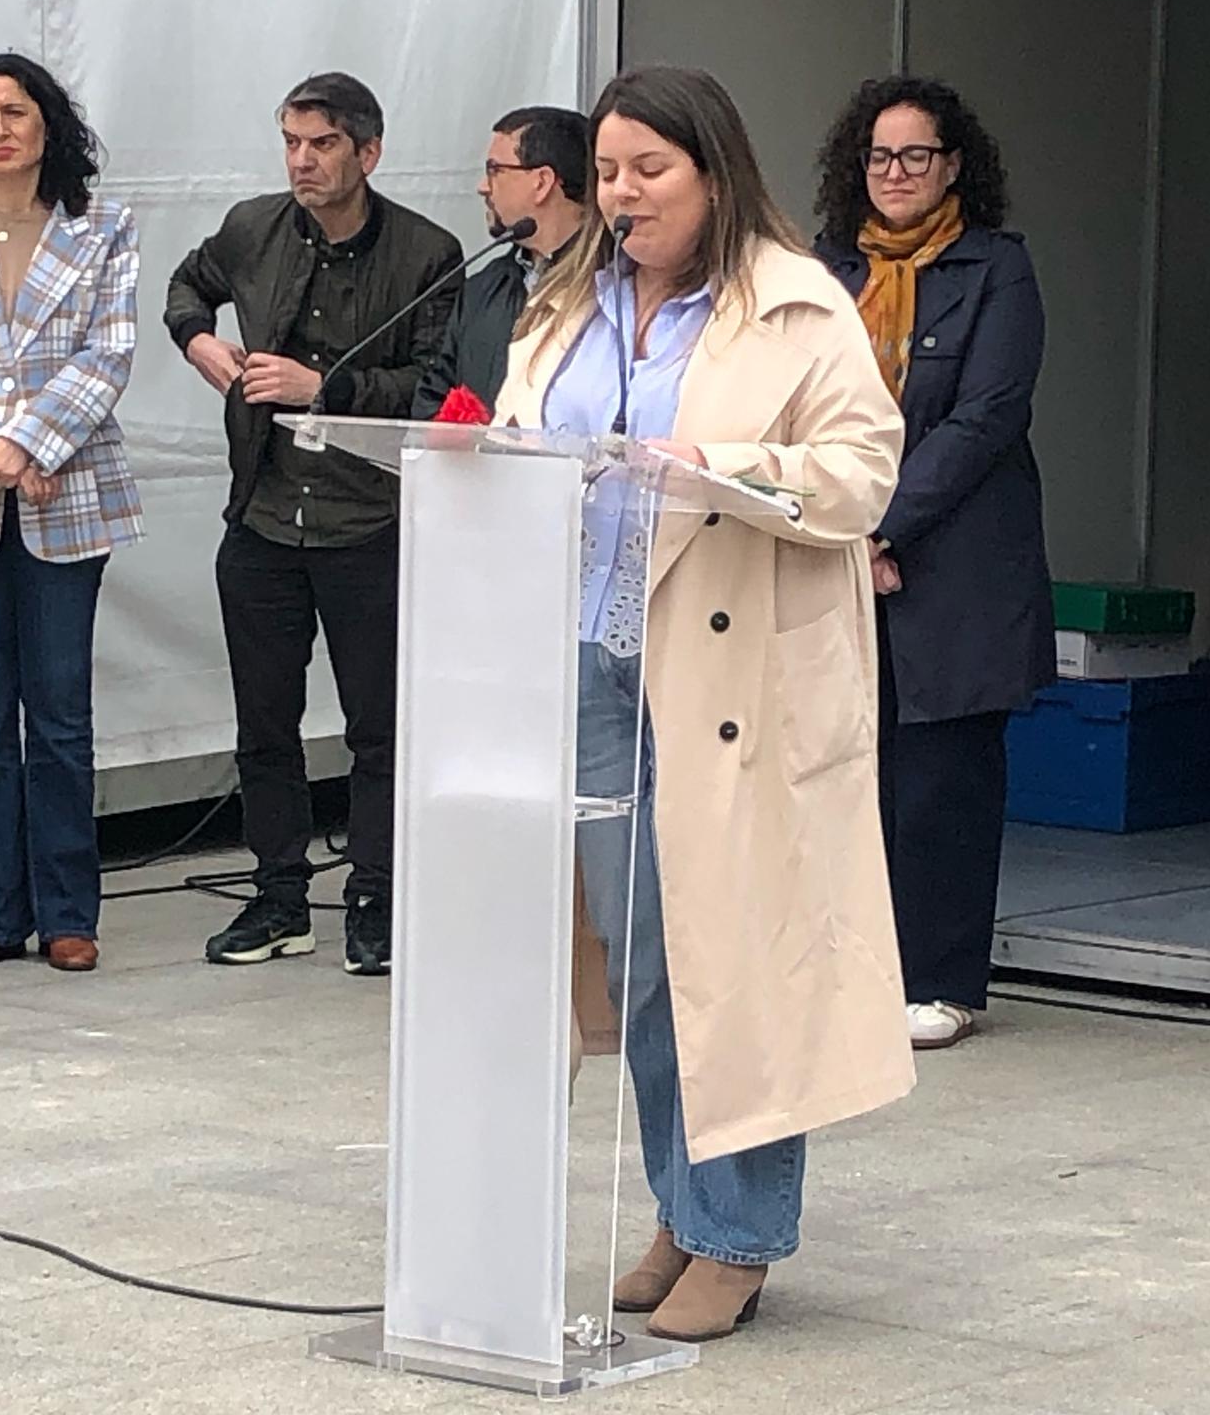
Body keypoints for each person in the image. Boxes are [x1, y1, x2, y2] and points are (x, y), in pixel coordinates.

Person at [494, 66, 914, 1344]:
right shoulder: (567, 303)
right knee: (642, 963)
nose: (623, 195)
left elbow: (862, 474)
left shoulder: (797, 304)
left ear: (714, 174)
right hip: (595, 660)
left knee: (732, 960)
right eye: (607, 172)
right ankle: (681, 1206)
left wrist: (719, 465)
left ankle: (737, 1235)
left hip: (733, 677)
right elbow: (520, 436)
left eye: (649, 170)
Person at [165, 73, 461, 976]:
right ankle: (278, 898)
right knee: (265, 726)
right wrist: (200, 341)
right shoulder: (253, 226)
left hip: (368, 521)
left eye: (322, 144)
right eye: (291, 142)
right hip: (263, 514)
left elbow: (435, 387)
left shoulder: (427, 252)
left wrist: (322, 388)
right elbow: (187, 286)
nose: (302, 161)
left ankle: (374, 898)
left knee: (379, 728)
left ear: (368, 153)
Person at [814, 76, 1054, 1051]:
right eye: (880, 155)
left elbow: (987, 416)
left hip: (955, 558)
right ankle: (858, 976)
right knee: (848, 772)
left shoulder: (998, 268)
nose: (896, 172)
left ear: (954, 166)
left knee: (943, 778)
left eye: (917, 155)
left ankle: (942, 981)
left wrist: (884, 526)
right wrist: (846, 529)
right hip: (844, 549)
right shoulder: (828, 271)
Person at [0, 53, 143, 973]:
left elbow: (108, 353)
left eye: (15, 111)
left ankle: (68, 914)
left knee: (59, 714)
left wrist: (33, 446)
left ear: (48, 122)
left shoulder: (104, 227)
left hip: (68, 492)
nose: (0, 129)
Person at [411, 105, 587, 419]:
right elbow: (434, 395)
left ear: (542, 182)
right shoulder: (482, 288)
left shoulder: (612, 285)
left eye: (495, 170)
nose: (483, 187)